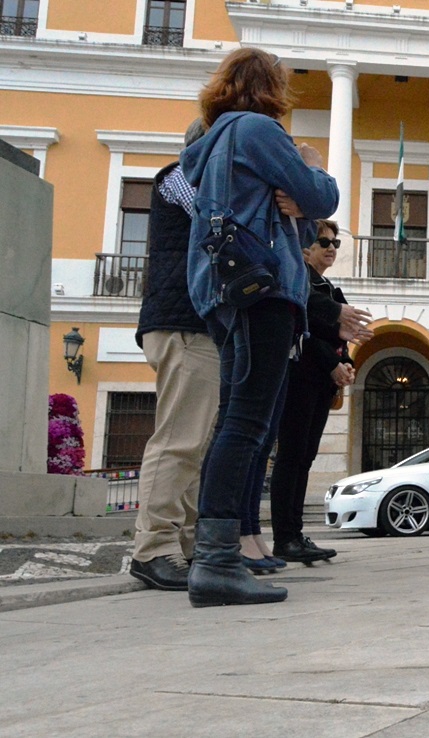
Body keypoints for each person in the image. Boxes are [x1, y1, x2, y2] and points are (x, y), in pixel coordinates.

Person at [182, 47, 339, 607]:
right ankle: (218, 562)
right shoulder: (257, 129)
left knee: (236, 419)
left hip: (222, 288)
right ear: (269, 86)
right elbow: (322, 196)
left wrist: (294, 208)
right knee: (247, 425)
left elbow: (296, 218)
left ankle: (215, 554)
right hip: (261, 289)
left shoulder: (205, 141)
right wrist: (313, 169)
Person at [128, 119, 219, 592]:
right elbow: (216, 219)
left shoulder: (191, 179)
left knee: (194, 445)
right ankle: (153, 548)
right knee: (179, 440)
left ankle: (181, 545)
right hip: (181, 322)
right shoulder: (182, 177)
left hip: (191, 324)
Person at [269, 219, 370, 564]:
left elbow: (341, 335)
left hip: (321, 381)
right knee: (292, 456)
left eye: (335, 243)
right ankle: (285, 536)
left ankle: (295, 534)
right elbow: (304, 332)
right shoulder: (300, 282)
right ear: (304, 247)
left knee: (305, 457)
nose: (331, 248)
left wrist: (348, 363)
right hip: (300, 376)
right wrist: (332, 362)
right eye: (323, 241)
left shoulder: (328, 287)